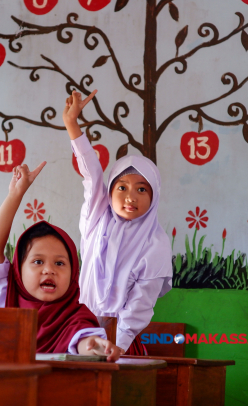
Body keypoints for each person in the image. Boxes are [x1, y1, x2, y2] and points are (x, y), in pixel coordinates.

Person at [63, 90, 173, 355]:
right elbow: (91, 172)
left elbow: (139, 308)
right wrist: (72, 125)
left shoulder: (156, 245)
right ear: (110, 191)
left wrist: (116, 347)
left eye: (141, 189)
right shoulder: (96, 218)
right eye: (121, 187)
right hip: (78, 332)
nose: (130, 197)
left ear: (154, 195)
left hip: (120, 345)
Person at [0, 163, 121, 361]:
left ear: (73, 274)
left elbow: (83, 340)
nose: (49, 270)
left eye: (60, 263)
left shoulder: (76, 316)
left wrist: (93, 346)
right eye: (38, 261)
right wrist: (15, 194)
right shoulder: (2, 298)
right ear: (18, 270)